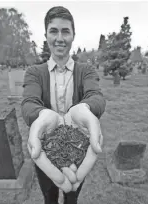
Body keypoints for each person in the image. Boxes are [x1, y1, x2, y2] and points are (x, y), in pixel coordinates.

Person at [21, 6, 106, 204]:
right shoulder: (35, 72)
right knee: (49, 197)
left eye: (65, 31)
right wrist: (42, 115)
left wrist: (84, 108)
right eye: (54, 31)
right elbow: (29, 103)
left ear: (73, 35)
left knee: (72, 195)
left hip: (77, 151)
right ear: (46, 35)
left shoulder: (86, 70)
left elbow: (96, 96)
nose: (60, 38)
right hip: (46, 147)